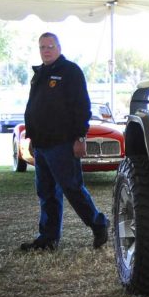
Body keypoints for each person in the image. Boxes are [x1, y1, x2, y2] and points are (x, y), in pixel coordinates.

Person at [19, 32, 108, 252]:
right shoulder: (40, 73)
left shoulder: (70, 71)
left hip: (63, 144)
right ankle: (48, 238)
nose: (46, 50)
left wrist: (80, 137)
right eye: (42, 47)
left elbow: (82, 107)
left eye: (50, 46)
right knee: (46, 193)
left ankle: (98, 224)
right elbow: (34, 107)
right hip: (41, 145)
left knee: (73, 189)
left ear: (59, 47)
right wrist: (32, 137)